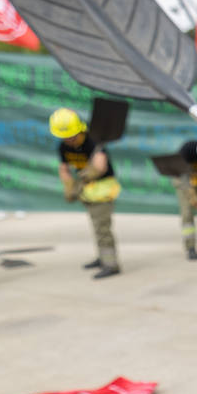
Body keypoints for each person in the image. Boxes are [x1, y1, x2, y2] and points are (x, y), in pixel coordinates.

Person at [52, 108, 122, 279]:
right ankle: (102, 258)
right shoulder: (63, 147)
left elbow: (100, 166)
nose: (68, 140)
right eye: (64, 137)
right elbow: (64, 168)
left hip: (103, 190)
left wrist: (83, 177)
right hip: (87, 192)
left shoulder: (93, 141)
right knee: (96, 226)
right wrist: (68, 185)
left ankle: (111, 265)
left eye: (71, 136)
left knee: (103, 229)